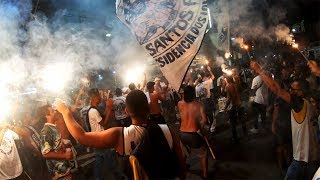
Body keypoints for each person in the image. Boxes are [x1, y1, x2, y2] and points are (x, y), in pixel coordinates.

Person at [53, 90, 186, 179]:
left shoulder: (119, 135)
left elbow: (81, 137)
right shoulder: (168, 130)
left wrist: (65, 112)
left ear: (127, 111)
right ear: (149, 108)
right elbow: (181, 161)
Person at [251, 61, 320, 180]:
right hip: (315, 157)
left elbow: (275, 89)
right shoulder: (314, 102)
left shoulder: (300, 104)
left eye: (293, 89)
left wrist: (259, 70)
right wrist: (318, 71)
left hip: (302, 160)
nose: (290, 91)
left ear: (300, 92)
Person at [87, 88, 123, 180]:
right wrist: (109, 108)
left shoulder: (94, 109)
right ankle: (119, 176)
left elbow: (103, 117)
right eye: (99, 95)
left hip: (97, 139)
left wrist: (107, 108)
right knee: (111, 159)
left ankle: (98, 178)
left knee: (99, 161)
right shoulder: (93, 111)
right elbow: (104, 123)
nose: (100, 97)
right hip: (101, 139)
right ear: (95, 97)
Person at [178, 85, 208, 178]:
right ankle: (205, 174)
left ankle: (183, 170)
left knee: (184, 153)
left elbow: (181, 115)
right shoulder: (198, 104)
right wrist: (200, 127)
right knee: (203, 154)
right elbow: (204, 120)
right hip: (193, 134)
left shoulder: (179, 103)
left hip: (182, 133)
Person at [38, 105, 74, 180]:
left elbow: (55, 145)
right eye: (52, 111)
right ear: (47, 116)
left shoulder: (53, 127)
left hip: (63, 166)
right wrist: (64, 155)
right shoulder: (46, 131)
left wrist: (63, 145)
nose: (56, 112)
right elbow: (46, 154)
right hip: (58, 170)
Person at [225, 76, 247, 143]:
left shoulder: (228, 86)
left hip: (233, 106)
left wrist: (225, 107)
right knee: (242, 120)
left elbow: (229, 98)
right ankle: (245, 134)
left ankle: (235, 138)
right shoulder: (236, 85)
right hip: (240, 104)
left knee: (233, 123)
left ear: (228, 80)